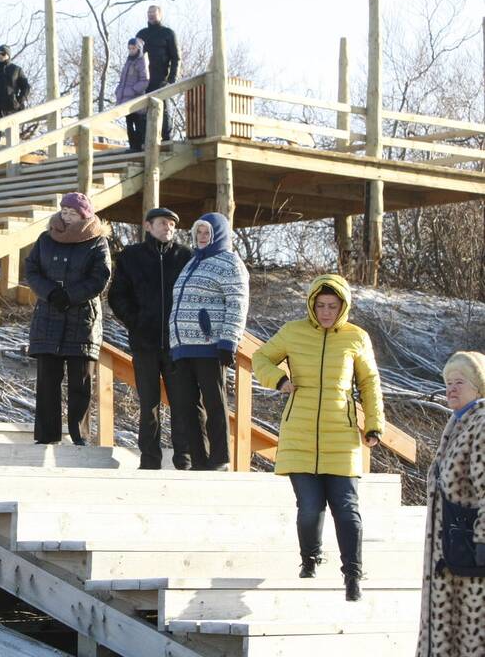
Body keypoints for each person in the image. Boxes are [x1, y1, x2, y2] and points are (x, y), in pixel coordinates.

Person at [252, 274, 383, 602]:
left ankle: (353, 574)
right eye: (321, 305)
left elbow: (369, 383)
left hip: (342, 435)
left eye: (332, 306)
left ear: (343, 307)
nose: (326, 311)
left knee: (347, 507)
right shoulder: (292, 332)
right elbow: (260, 358)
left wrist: (374, 425)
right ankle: (310, 558)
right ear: (312, 304)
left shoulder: (357, 338)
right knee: (309, 507)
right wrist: (279, 380)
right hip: (299, 434)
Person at [108, 207, 197, 469]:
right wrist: (135, 322)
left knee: (182, 404)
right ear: (148, 226)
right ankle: (149, 462)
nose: (168, 228)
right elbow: (117, 295)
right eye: (162, 223)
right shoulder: (130, 257)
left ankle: (185, 460)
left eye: (172, 224)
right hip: (144, 343)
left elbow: (194, 297)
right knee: (149, 405)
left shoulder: (186, 256)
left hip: (177, 345)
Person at [25, 193, 111, 446]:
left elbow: (100, 277)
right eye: (64, 211)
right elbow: (32, 269)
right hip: (48, 317)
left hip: (82, 321)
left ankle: (79, 435)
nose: (66, 215)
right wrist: (51, 293)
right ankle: (46, 435)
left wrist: (71, 296)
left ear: (84, 215)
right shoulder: (45, 238)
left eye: (72, 212)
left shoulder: (97, 241)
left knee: (80, 383)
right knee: (47, 382)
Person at [416, 351, 485, 654]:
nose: (451, 389)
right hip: (452, 555)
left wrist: (483, 542)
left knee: (472, 636)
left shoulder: (481, 423)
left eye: (460, 382)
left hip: (471, 556)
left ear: (478, 388)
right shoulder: (460, 422)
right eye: (447, 383)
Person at [168, 212, 248, 471]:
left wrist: (229, 340)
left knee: (214, 402)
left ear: (218, 235)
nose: (202, 237)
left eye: (207, 233)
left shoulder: (229, 262)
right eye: (199, 232)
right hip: (183, 346)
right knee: (187, 406)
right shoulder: (192, 262)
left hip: (210, 344)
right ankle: (199, 459)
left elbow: (237, 303)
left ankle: (220, 458)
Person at [136, 5, 180, 141]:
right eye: (148, 13)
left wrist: (172, 79)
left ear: (160, 15)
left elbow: (175, 57)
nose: (150, 15)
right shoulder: (141, 34)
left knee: (163, 108)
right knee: (141, 109)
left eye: (153, 13)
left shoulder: (168, 33)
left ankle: (166, 139)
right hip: (143, 78)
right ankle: (142, 140)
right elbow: (134, 57)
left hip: (161, 78)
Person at [113, 37, 150, 151]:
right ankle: (132, 146)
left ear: (138, 48)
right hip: (125, 98)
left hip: (135, 98)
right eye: (129, 48)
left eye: (133, 48)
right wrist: (118, 91)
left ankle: (138, 146)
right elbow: (123, 80)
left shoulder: (141, 61)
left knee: (137, 123)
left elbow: (145, 80)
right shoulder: (128, 62)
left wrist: (134, 90)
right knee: (129, 124)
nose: (131, 51)